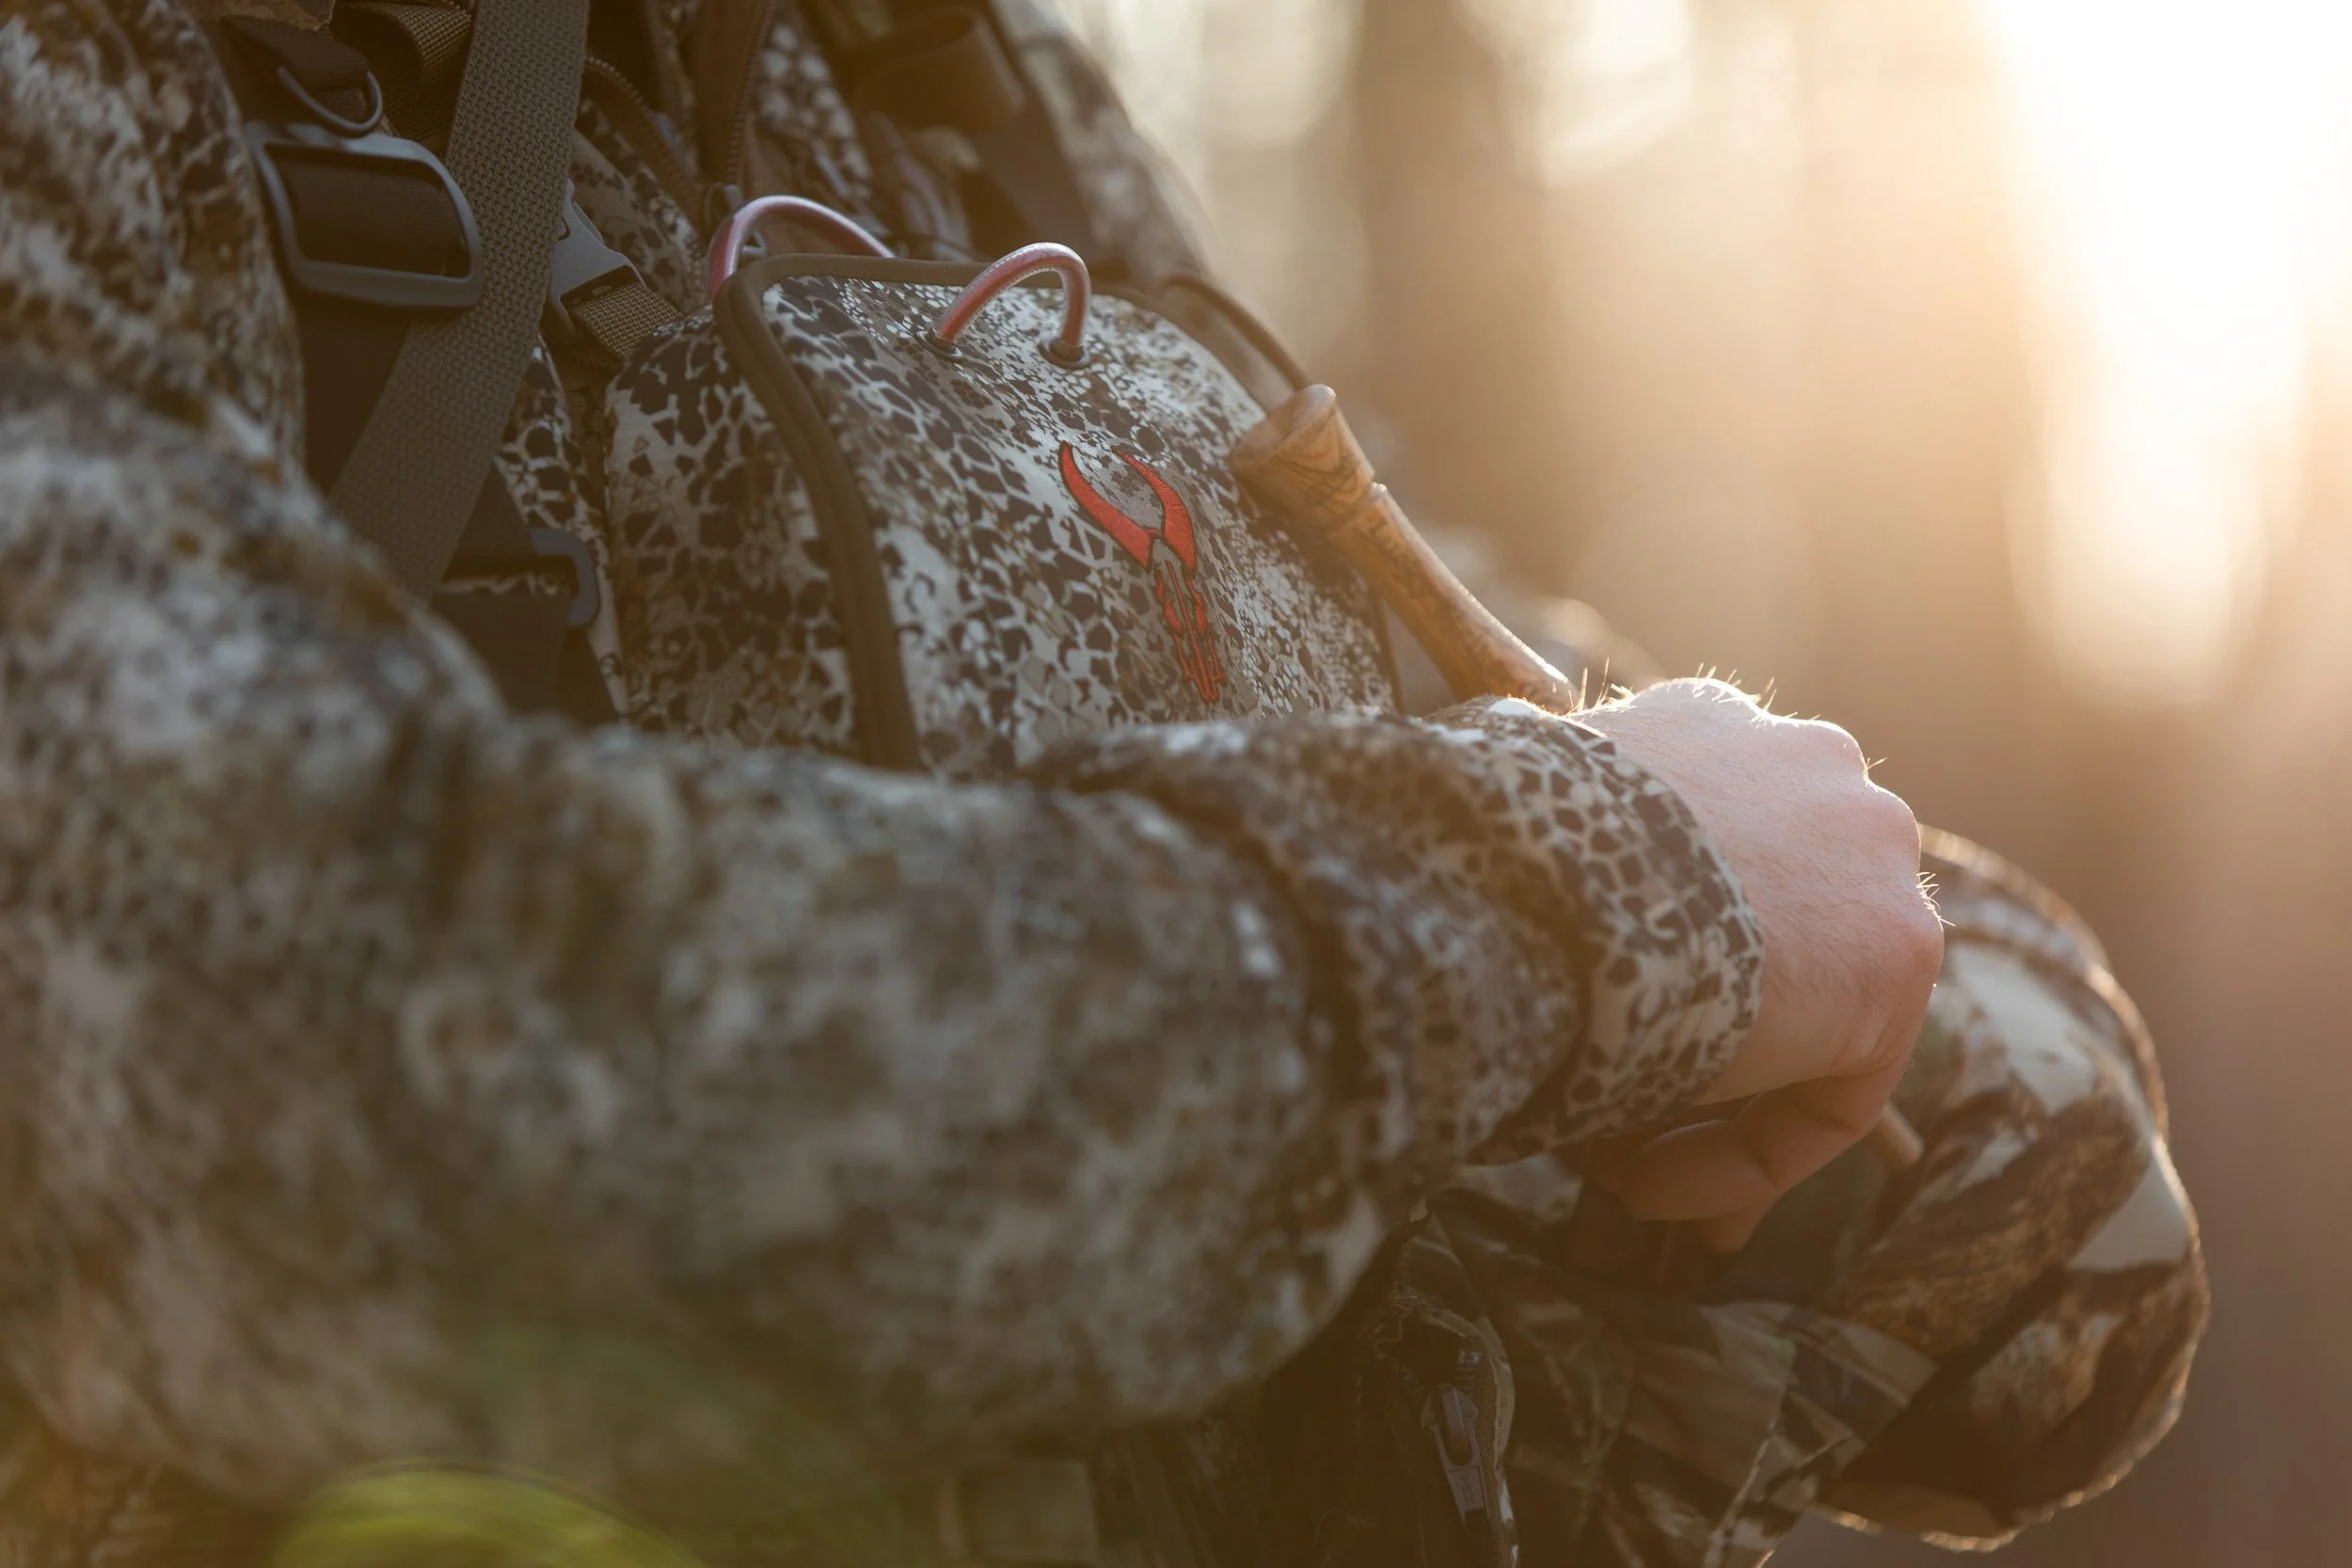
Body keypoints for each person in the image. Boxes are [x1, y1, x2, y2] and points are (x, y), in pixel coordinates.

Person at [0, 2, 2201, 1565]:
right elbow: (304, 1081)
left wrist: (1836, 962)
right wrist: (1586, 915)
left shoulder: (935, 72)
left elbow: (1471, 671)